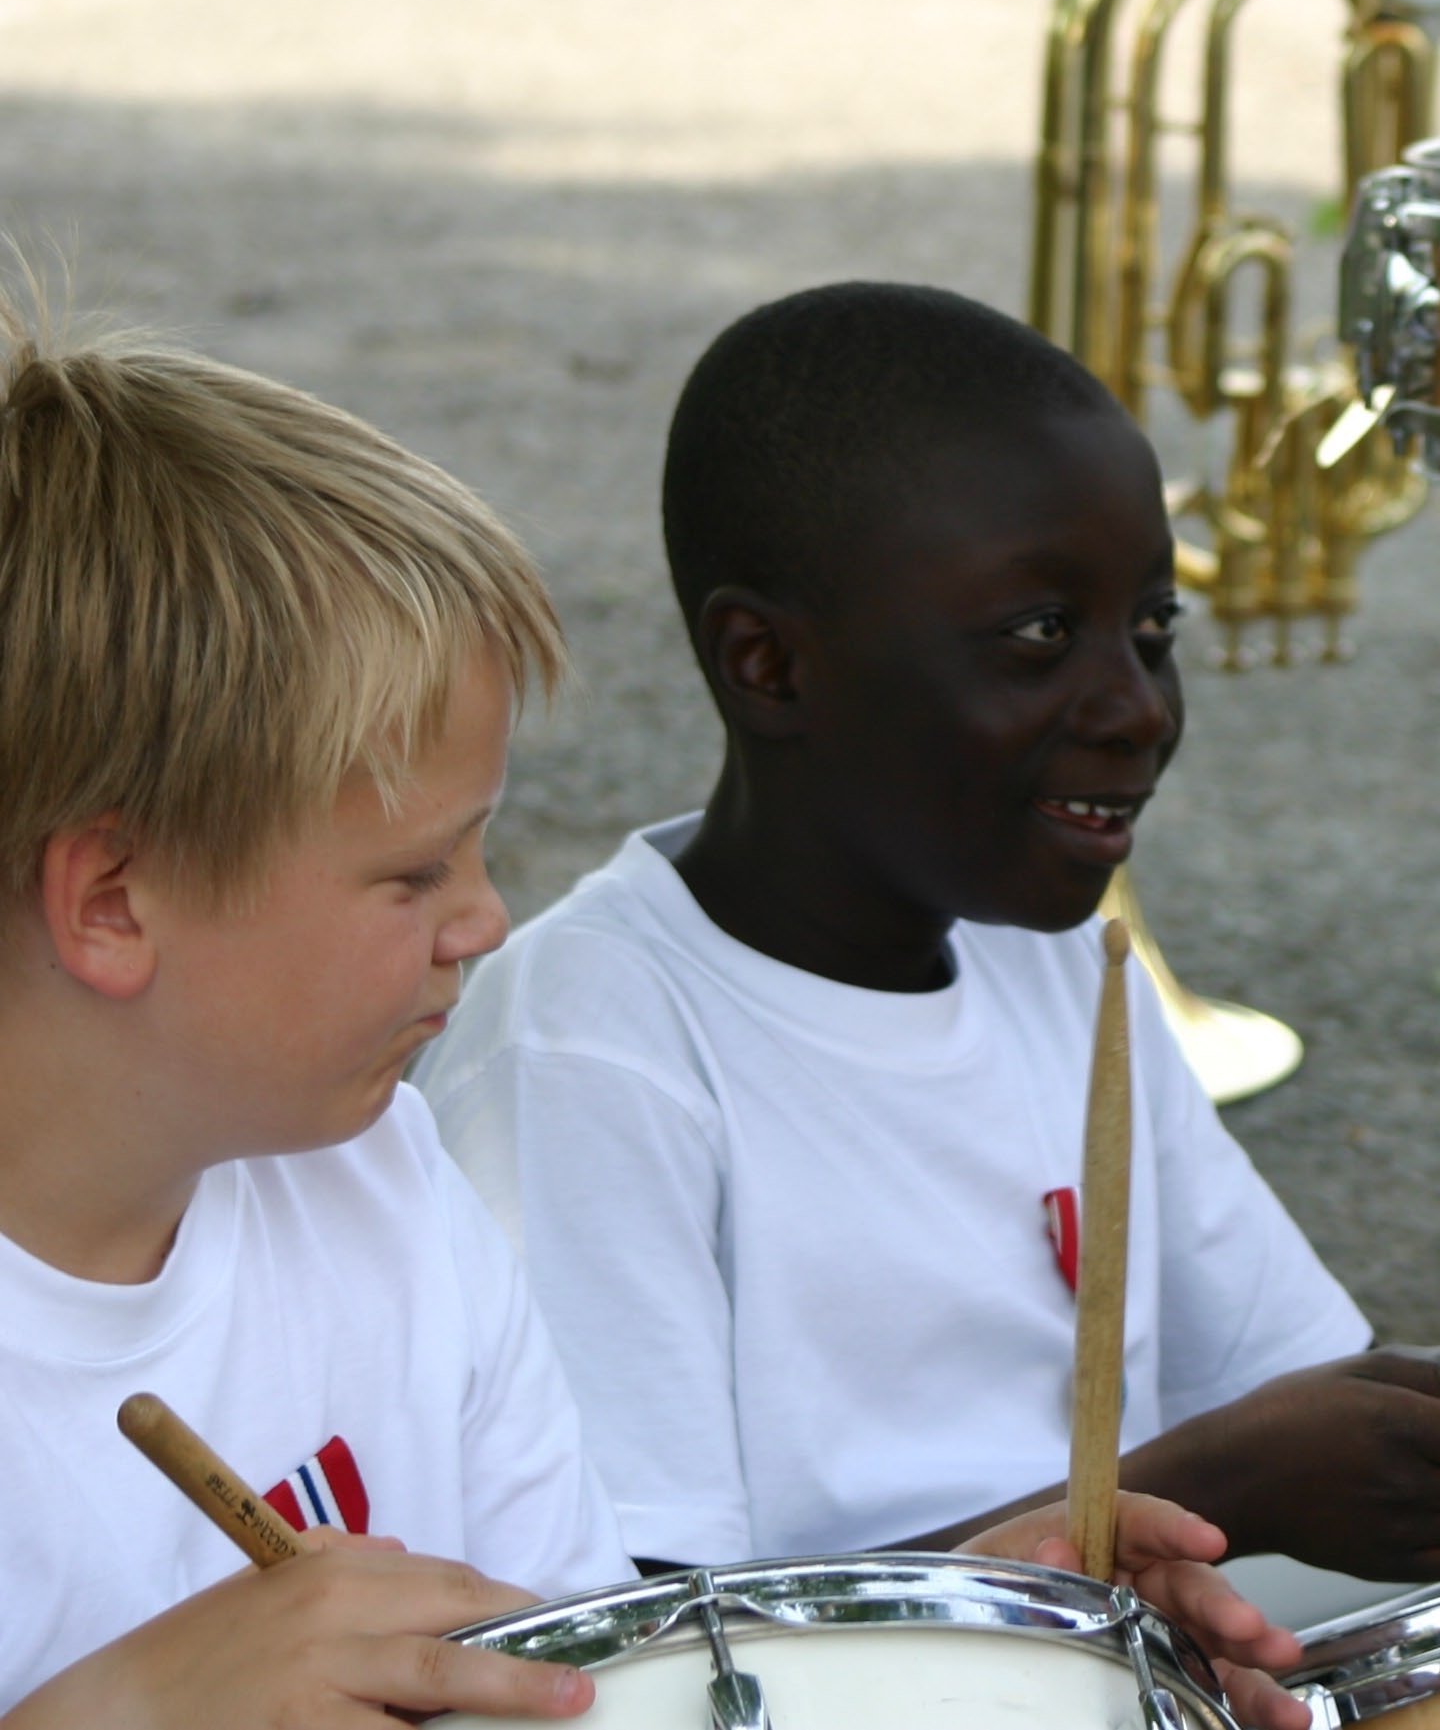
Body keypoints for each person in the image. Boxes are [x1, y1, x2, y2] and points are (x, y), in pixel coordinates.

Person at [0, 306, 1301, 1726]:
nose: (484, 920)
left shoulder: (378, 1175)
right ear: (113, 901)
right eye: (412, 872)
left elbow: (582, 1690)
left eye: (480, 850)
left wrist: (947, 1633)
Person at [416, 282, 1440, 1586]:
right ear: (771, 665)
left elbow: (1274, 1397)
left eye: (1153, 628)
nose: (1135, 708)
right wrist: (1188, 1494)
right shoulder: (590, 1051)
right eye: (1039, 634)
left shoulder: (1055, 951)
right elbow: (635, 1641)